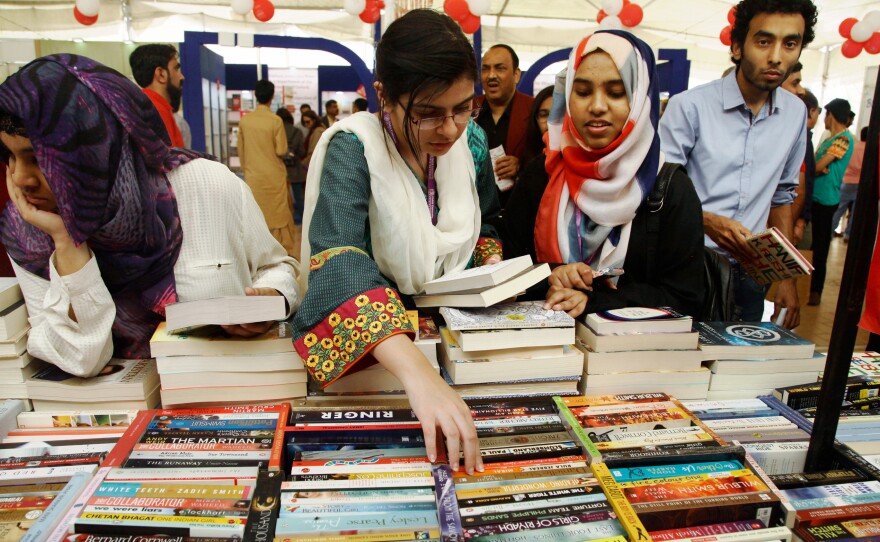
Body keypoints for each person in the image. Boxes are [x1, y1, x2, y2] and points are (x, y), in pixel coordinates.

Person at [293, 9, 502, 475]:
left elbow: (485, 226)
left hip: (456, 338)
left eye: (463, 107)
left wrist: (493, 277)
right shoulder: (355, 148)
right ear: (384, 95)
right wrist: (420, 374)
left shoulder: (471, 143)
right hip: (384, 352)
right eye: (427, 113)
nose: (449, 129)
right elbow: (338, 257)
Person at [0, 54, 298, 378]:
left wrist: (271, 299)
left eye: (39, 159)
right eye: (9, 157)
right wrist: (67, 245)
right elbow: (83, 359)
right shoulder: (28, 233)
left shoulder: (208, 185)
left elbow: (276, 267)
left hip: (222, 397)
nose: (19, 179)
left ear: (97, 147)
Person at [503, 30, 704, 319]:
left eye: (616, 92)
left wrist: (594, 299)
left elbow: (685, 297)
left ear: (640, 98)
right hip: (545, 356)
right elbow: (508, 272)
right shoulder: (543, 174)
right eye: (583, 92)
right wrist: (551, 276)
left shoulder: (669, 188)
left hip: (633, 358)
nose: (597, 106)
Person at [659, 0, 817, 329]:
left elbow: (782, 197)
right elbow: (656, 192)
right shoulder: (689, 108)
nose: (776, 56)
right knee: (677, 370)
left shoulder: (795, 113)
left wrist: (786, 280)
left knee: (738, 368)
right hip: (685, 264)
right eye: (764, 41)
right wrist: (705, 221)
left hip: (751, 274)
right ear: (736, 47)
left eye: (790, 43)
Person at [238, 80, 299, 258]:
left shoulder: (245, 121)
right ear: (272, 96)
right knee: (279, 213)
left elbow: (241, 152)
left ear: (256, 96)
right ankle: (279, 252)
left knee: (258, 212)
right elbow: (281, 150)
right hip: (274, 175)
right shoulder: (275, 120)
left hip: (254, 175)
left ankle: (258, 251)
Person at [809, 98, 855, 306]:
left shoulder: (844, 139)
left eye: (824, 114)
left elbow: (818, 166)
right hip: (815, 197)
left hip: (826, 200)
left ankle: (815, 290)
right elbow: (816, 165)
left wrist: (818, 167)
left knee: (820, 248)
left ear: (831, 115)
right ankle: (807, 287)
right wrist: (817, 167)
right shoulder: (830, 138)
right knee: (810, 246)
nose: (823, 119)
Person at [476, 44, 534, 195]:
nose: (491, 75)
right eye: (485, 69)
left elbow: (546, 158)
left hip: (516, 207)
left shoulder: (533, 109)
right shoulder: (468, 110)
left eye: (500, 68)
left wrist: (521, 167)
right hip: (474, 209)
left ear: (516, 75)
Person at [129, 44, 185, 148]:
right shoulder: (156, 111)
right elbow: (170, 161)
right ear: (161, 74)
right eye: (176, 69)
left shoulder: (147, 105)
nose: (181, 77)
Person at [792, 89, 820, 247]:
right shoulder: (801, 137)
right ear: (811, 111)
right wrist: (800, 222)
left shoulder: (802, 135)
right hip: (794, 216)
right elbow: (803, 186)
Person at [832, 126, 868, 242]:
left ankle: (830, 231)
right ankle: (848, 235)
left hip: (846, 181)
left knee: (839, 209)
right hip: (860, 184)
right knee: (855, 213)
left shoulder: (854, 146)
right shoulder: (870, 150)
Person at [276, 107, 306, 226]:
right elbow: (301, 151)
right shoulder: (297, 131)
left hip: (280, 168)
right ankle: (303, 221)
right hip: (296, 169)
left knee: (282, 198)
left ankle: (286, 221)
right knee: (298, 197)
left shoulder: (277, 130)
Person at [521, 85, 554, 166]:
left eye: (557, 115)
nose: (550, 122)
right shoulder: (528, 162)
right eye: (544, 115)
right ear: (535, 120)